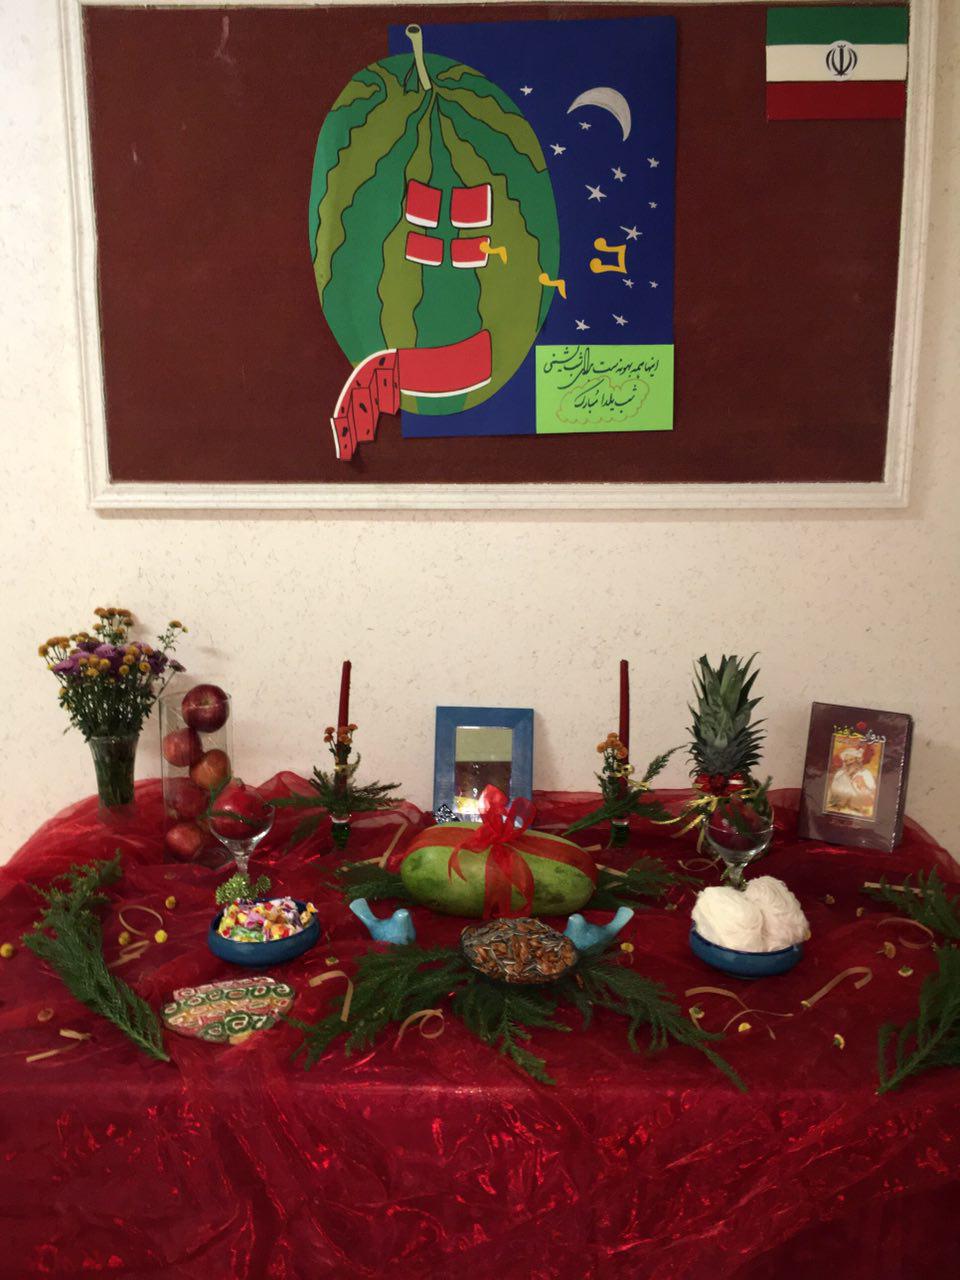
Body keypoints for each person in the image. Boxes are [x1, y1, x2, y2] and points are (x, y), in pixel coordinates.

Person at [826, 744, 878, 818]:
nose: (849, 763)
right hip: (838, 811)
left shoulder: (866, 774)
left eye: (851, 760)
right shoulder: (839, 774)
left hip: (858, 814)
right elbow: (832, 794)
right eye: (846, 761)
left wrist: (862, 786)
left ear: (857, 760)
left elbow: (871, 800)